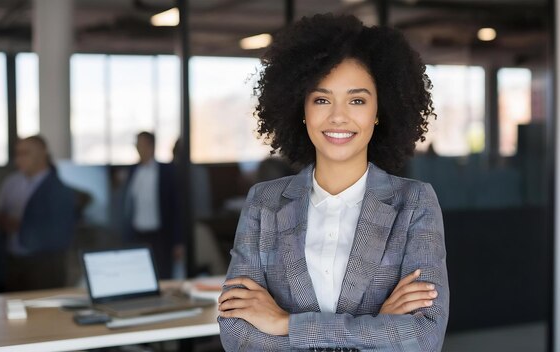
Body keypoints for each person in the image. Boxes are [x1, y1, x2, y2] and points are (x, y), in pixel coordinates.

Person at [217, 14, 448, 351]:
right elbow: (237, 334)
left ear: (379, 111)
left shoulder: (414, 204)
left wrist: (285, 324)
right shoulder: (263, 203)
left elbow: (423, 338)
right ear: (302, 109)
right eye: (322, 99)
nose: (338, 116)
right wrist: (377, 328)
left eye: (357, 100)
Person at [0, 135, 76, 291]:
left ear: (42, 154)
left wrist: (23, 226)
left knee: (43, 308)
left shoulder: (59, 188)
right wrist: (3, 220)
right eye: (17, 153)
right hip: (14, 257)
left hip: (44, 262)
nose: (19, 159)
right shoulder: (12, 182)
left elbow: (60, 231)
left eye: (26, 153)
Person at [123, 132, 179, 279]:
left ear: (151, 146)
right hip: (137, 234)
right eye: (137, 145)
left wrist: (178, 241)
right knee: (139, 276)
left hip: (160, 235)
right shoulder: (133, 171)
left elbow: (176, 207)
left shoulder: (166, 171)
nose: (138, 148)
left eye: (141, 144)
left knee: (163, 275)